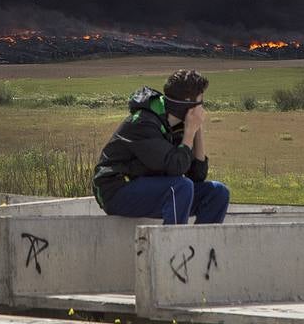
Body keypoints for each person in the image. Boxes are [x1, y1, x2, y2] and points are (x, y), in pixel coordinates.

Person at [92, 68, 230, 225]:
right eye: (200, 103)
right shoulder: (144, 123)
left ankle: (200, 248)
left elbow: (197, 176)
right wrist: (190, 132)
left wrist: (197, 130)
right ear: (189, 106)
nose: (202, 110)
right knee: (179, 188)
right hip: (116, 190)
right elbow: (176, 167)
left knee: (217, 192)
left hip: (149, 187)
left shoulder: (177, 125)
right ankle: (174, 248)